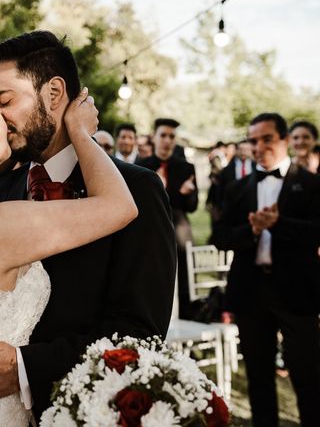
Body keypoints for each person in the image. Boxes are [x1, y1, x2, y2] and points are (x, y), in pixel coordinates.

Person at [0, 31, 176, 421]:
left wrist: (26, 368)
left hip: (80, 412)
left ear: (54, 94)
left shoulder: (138, 189)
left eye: (4, 101)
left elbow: (140, 332)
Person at [212, 112, 320, 427]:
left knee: (307, 376)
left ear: (285, 140)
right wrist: (253, 231)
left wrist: (279, 224)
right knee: (259, 378)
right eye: (253, 140)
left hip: (298, 290)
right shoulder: (237, 188)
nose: (259, 146)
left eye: (267, 139)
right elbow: (219, 238)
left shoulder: (311, 184)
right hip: (251, 292)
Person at [137, 118, 198, 319]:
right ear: (154, 137)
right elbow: (141, 204)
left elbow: (192, 206)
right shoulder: (142, 166)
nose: (167, 140)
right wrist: (176, 194)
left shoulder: (186, 168)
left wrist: (186, 194)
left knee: (183, 281)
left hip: (179, 231)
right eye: (163, 135)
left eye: (172, 136)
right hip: (151, 231)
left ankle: (187, 321)